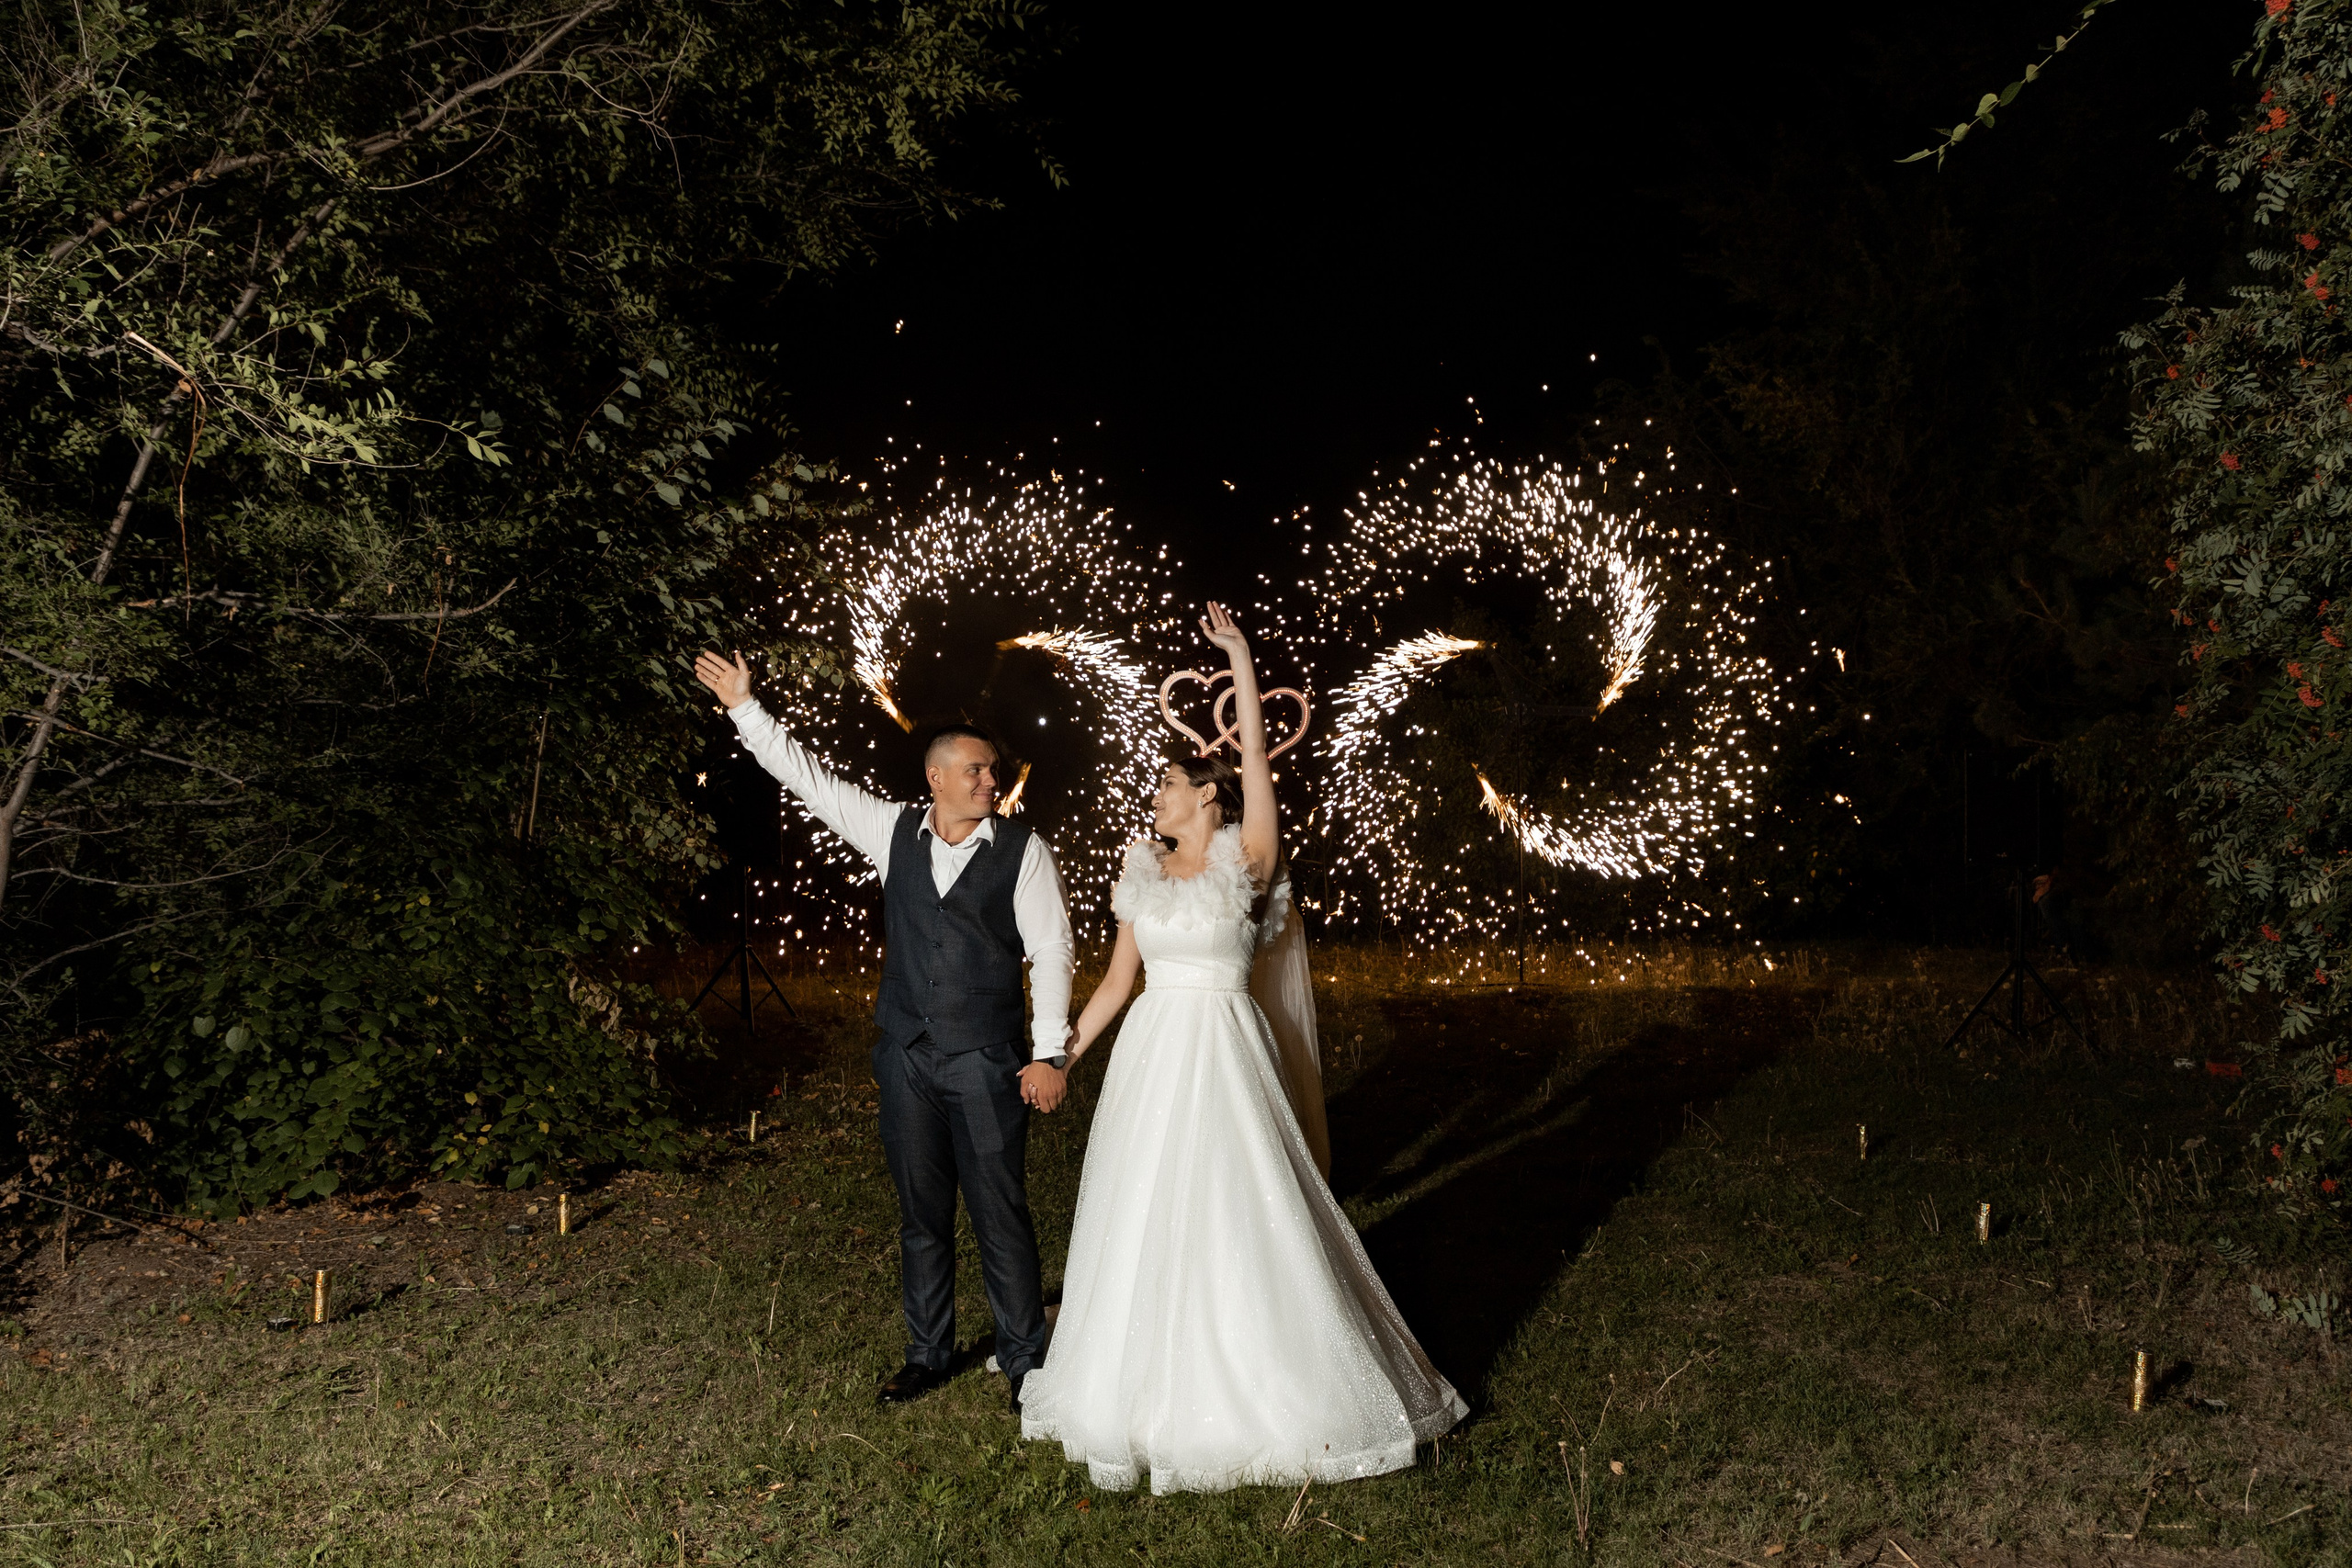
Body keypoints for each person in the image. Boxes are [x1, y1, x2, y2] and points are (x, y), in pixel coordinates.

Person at [1017, 602, 1465, 1495]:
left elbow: (1257, 763)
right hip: (1153, 1055)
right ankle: (1140, 1379)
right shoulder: (1139, 872)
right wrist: (1063, 1054)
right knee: (1145, 1205)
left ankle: (1277, 1377)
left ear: (1206, 797)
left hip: (1226, 1050)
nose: (1157, 795)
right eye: (1158, 788)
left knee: (1241, 1201)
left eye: (1170, 784)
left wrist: (1241, 661)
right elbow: (1116, 982)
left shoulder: (1246, 857)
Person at [693, 649, 1074, 1414]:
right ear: (936, 776)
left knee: (1000, 1209)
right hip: (904, 1056)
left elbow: (1054, 950)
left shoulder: (1023, 853)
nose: (991, 781)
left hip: (987, 1059)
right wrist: (744, 709)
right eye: (975, 771)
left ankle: (1025, 1359)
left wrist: (1048, 1051)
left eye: (993, 771)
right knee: (920, 1213)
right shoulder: (890, 830)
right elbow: (807, 776)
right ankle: (928, 1353)